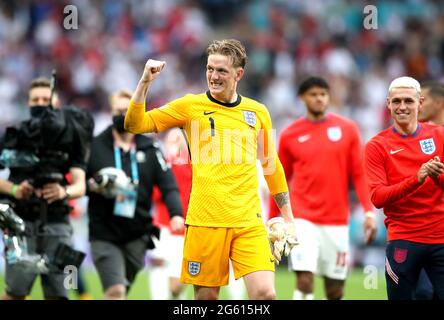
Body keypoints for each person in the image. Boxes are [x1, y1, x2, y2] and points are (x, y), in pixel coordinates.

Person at [124, 39, 297, 300]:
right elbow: (135, 124)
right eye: (209, 69)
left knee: (265, 294)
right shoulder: (189, 107)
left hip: (248, 221)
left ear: (239, 74)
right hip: (205, 222)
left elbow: (271, 167)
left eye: (221, 71)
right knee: (206, 299)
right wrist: (145, 82)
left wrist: (288, 218)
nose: (213, 76)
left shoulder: (257, 112)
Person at [268, 76, 377, 300]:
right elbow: (280, 181)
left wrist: (368, 211)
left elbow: (359, 173)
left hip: (336, 220)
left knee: (335, 290)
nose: (319, 99)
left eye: (323, 94)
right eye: (313, 94)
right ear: (302, 98)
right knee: (304, 279)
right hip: (302, 218)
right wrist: (272, 219)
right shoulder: (290, 134)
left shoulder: (347, 129)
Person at [86, 89, 185, 300]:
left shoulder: (151, 149)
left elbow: (168, 186)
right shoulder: (94, 148)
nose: (122, 115)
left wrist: (176, 214)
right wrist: (91, 186)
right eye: (118, 110)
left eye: (127, 110)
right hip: (104, 233)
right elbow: (78, 180)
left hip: (137, 235)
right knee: (116, 291)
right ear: (110, 112)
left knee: (123, 289)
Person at [0, 77, 91, 300]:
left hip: (58, 224)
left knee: (60, 294)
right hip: (21, 224)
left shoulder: (72, 139)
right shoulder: (15, 135)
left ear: (55, 103)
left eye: (45, 99)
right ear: (28, 103)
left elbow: (80, 184)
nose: (40, 103)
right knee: (14, 294)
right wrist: (14, 189)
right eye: (35, 99)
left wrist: (64, 192)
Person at [364, 76, 444, 300]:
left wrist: (437, 176)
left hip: (441, 237)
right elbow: (378, 197)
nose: (402, 107)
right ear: (388, 104)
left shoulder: (440, 135)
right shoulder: (377, 146)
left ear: (420, 102)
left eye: (408, 101)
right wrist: (416, 179)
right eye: (396, 101)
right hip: (404, 239)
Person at [413, 81, 444, 300]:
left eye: (422, 99)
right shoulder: (411, 136)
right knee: (423, 292)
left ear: (439, 102)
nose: (418, 105)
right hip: (420, 229)